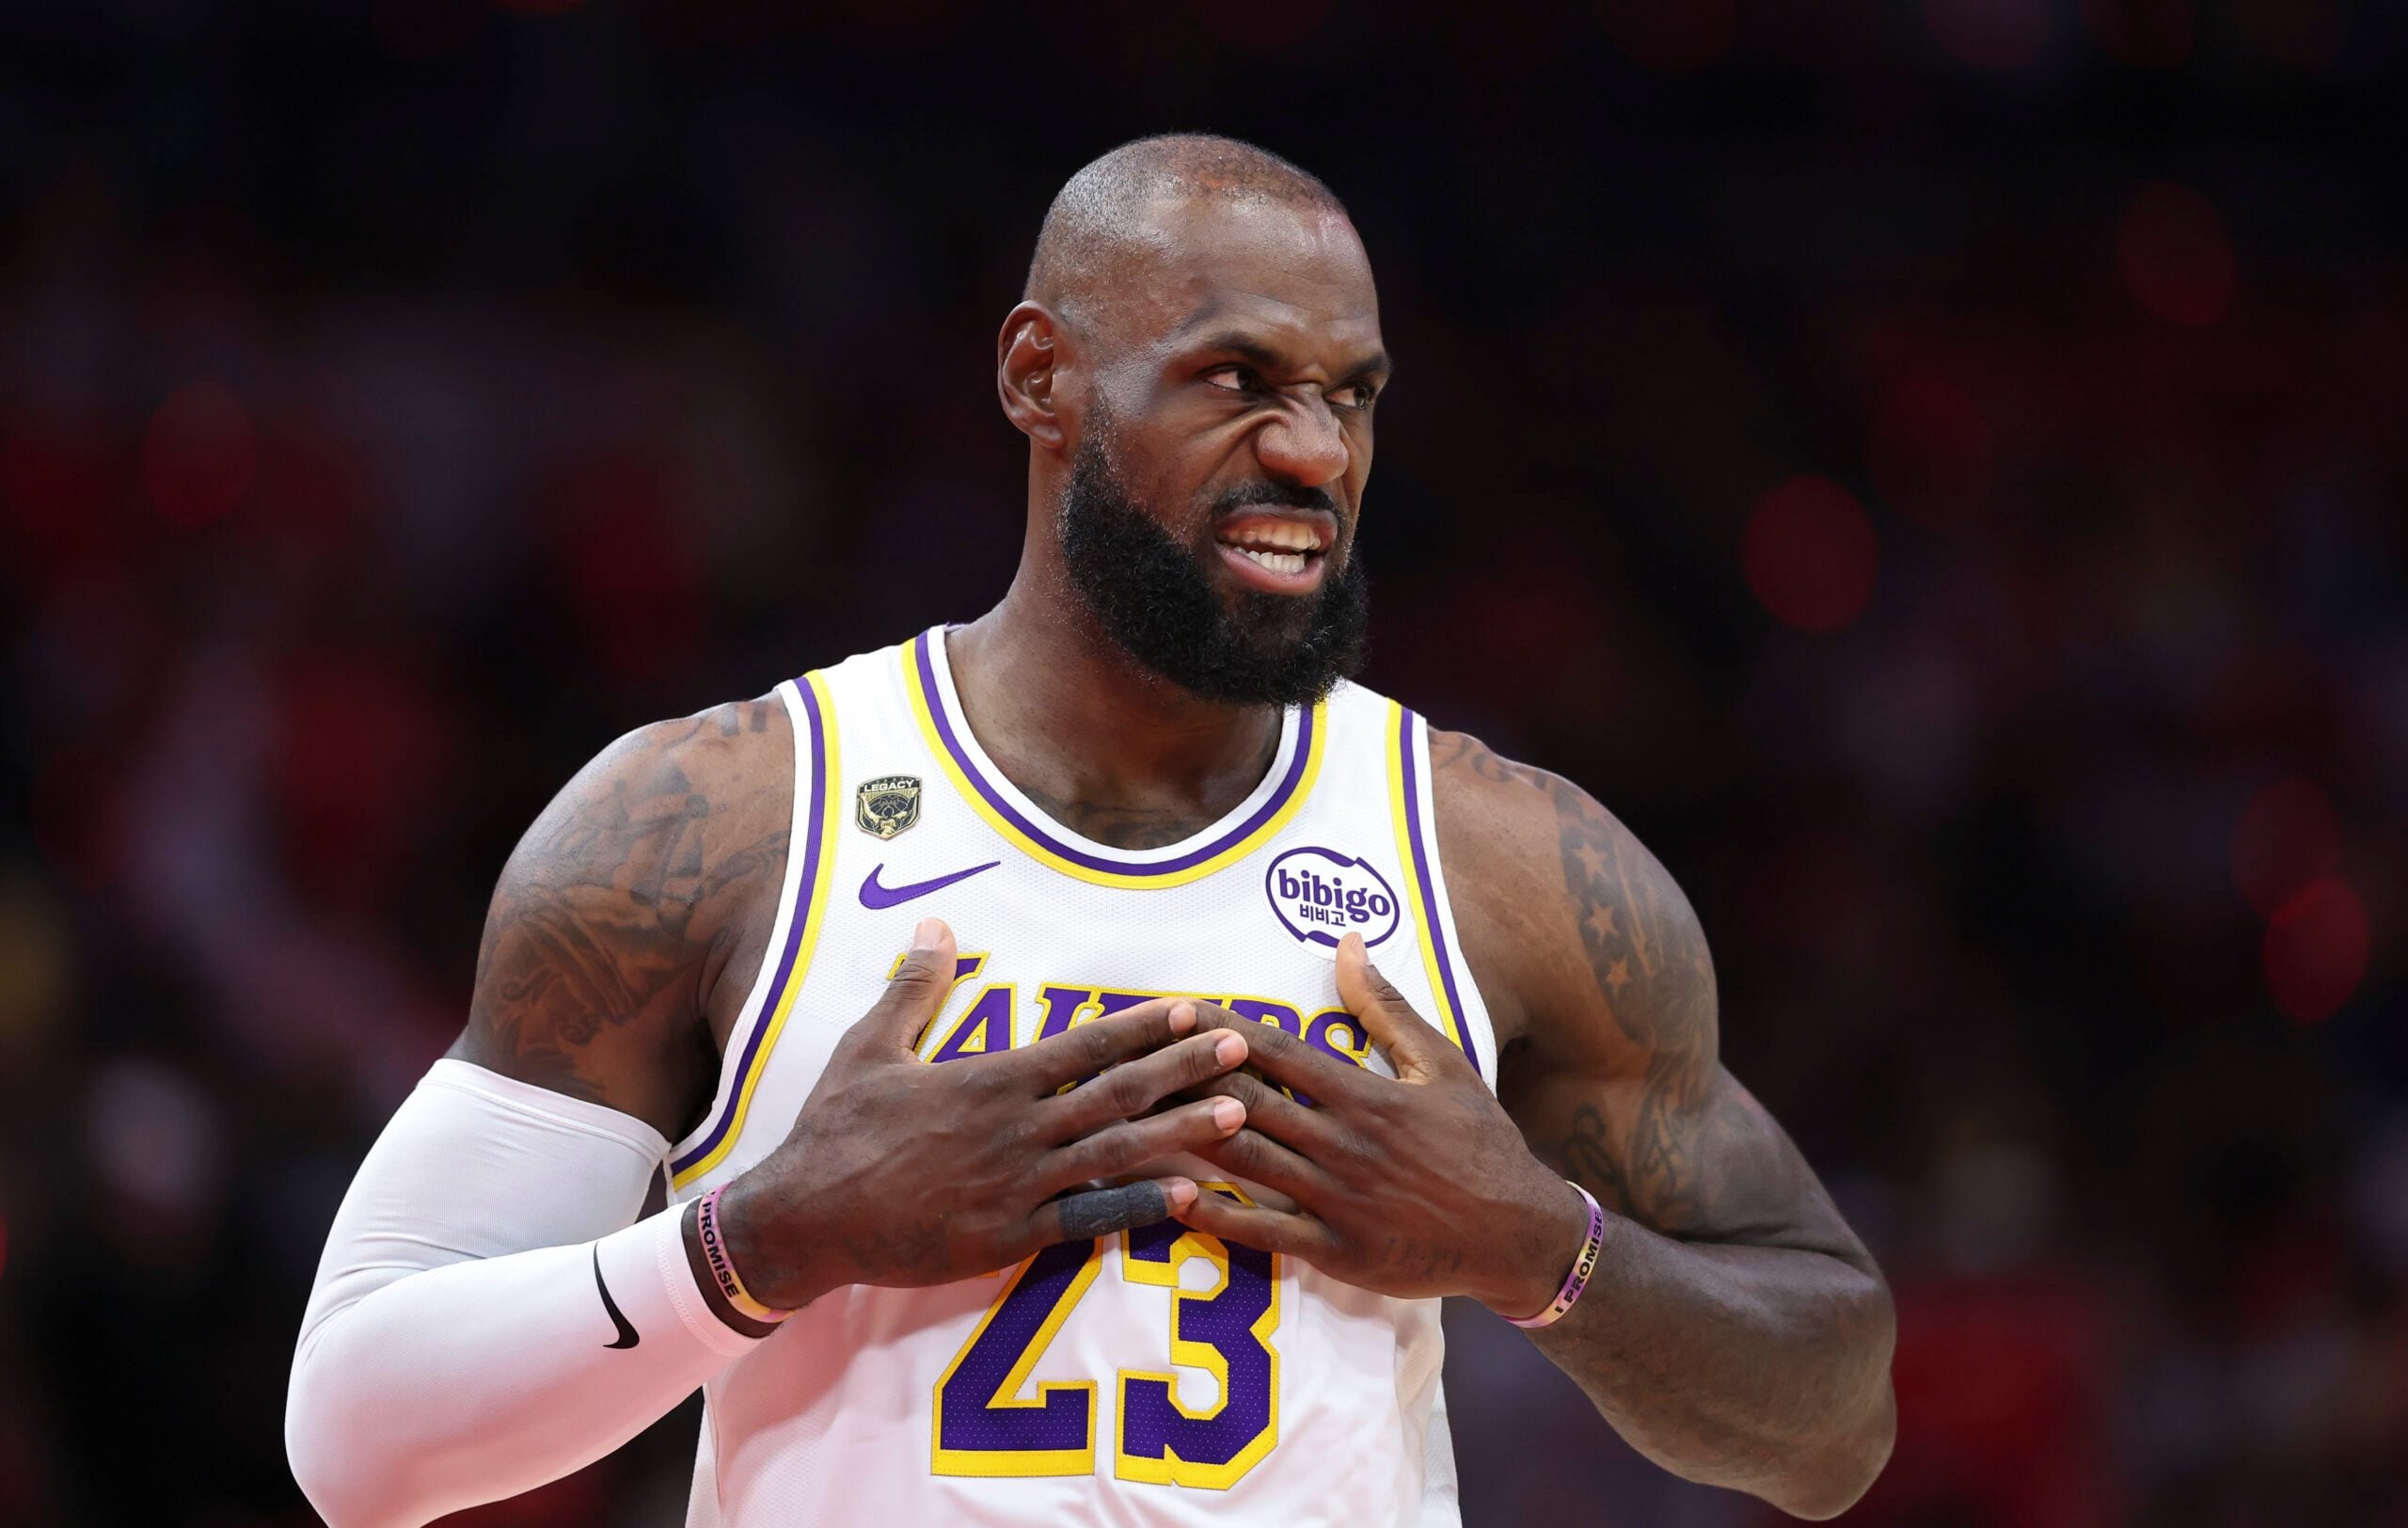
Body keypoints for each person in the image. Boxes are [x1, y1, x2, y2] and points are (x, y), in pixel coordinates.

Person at [285, 134, 1895, 1526]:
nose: (1316, 453)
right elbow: (356, 1443)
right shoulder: (720, 820)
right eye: (1239, 379)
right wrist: (759, 1243)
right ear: (1039, 375)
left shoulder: (1506, 865)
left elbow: (1833, 1421)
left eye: (1352, 396)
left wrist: (1539, 1243)